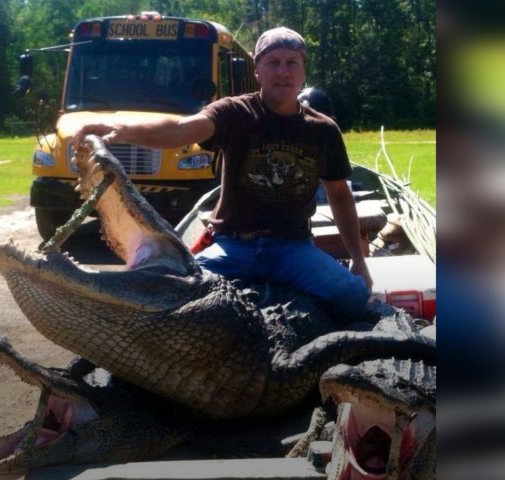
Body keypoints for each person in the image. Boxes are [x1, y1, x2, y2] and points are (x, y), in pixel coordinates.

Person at [74, 27, 371, 318]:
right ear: (258, 71)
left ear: (304, 71)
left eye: (292, 62)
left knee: (352, 297)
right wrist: (117, 129)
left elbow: (339, 194)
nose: (283, 72)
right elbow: (180, 130)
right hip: (233, 247)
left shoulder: (323, 130)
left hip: (292, 248)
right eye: (273, 62)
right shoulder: (234, 113)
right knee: (168, 294)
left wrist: (359, 260)